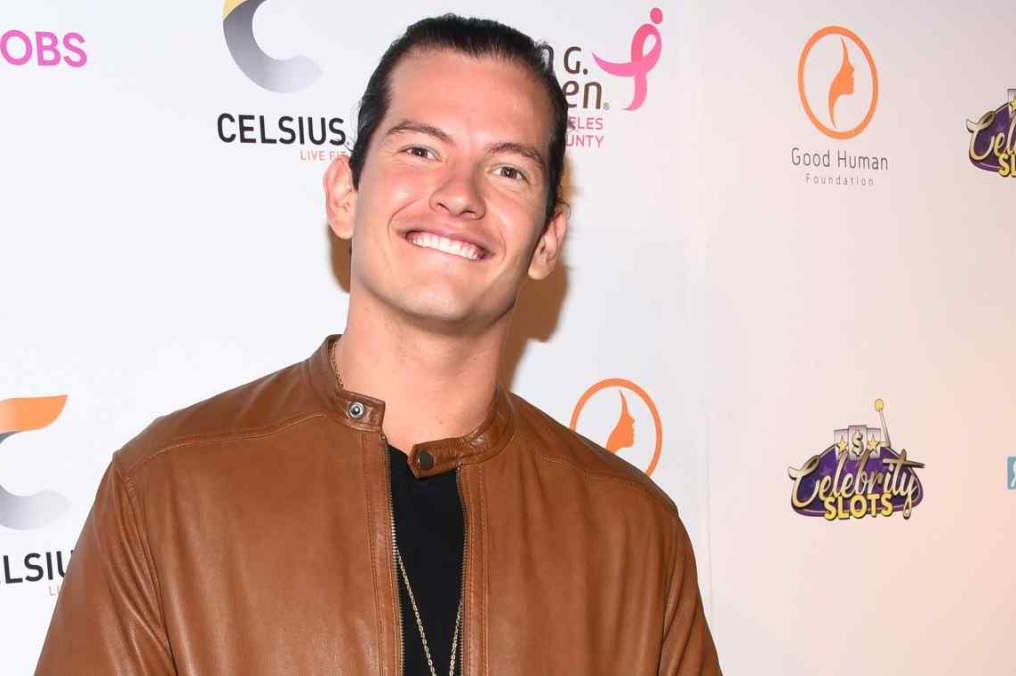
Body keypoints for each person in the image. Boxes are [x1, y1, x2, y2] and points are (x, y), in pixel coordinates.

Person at [36, 14, 720, 675]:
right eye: (421, 150)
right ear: (344, 194)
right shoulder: (166, 493)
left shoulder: (635, 533)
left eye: (509, 170)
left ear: (547, 241)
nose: (460, 195)